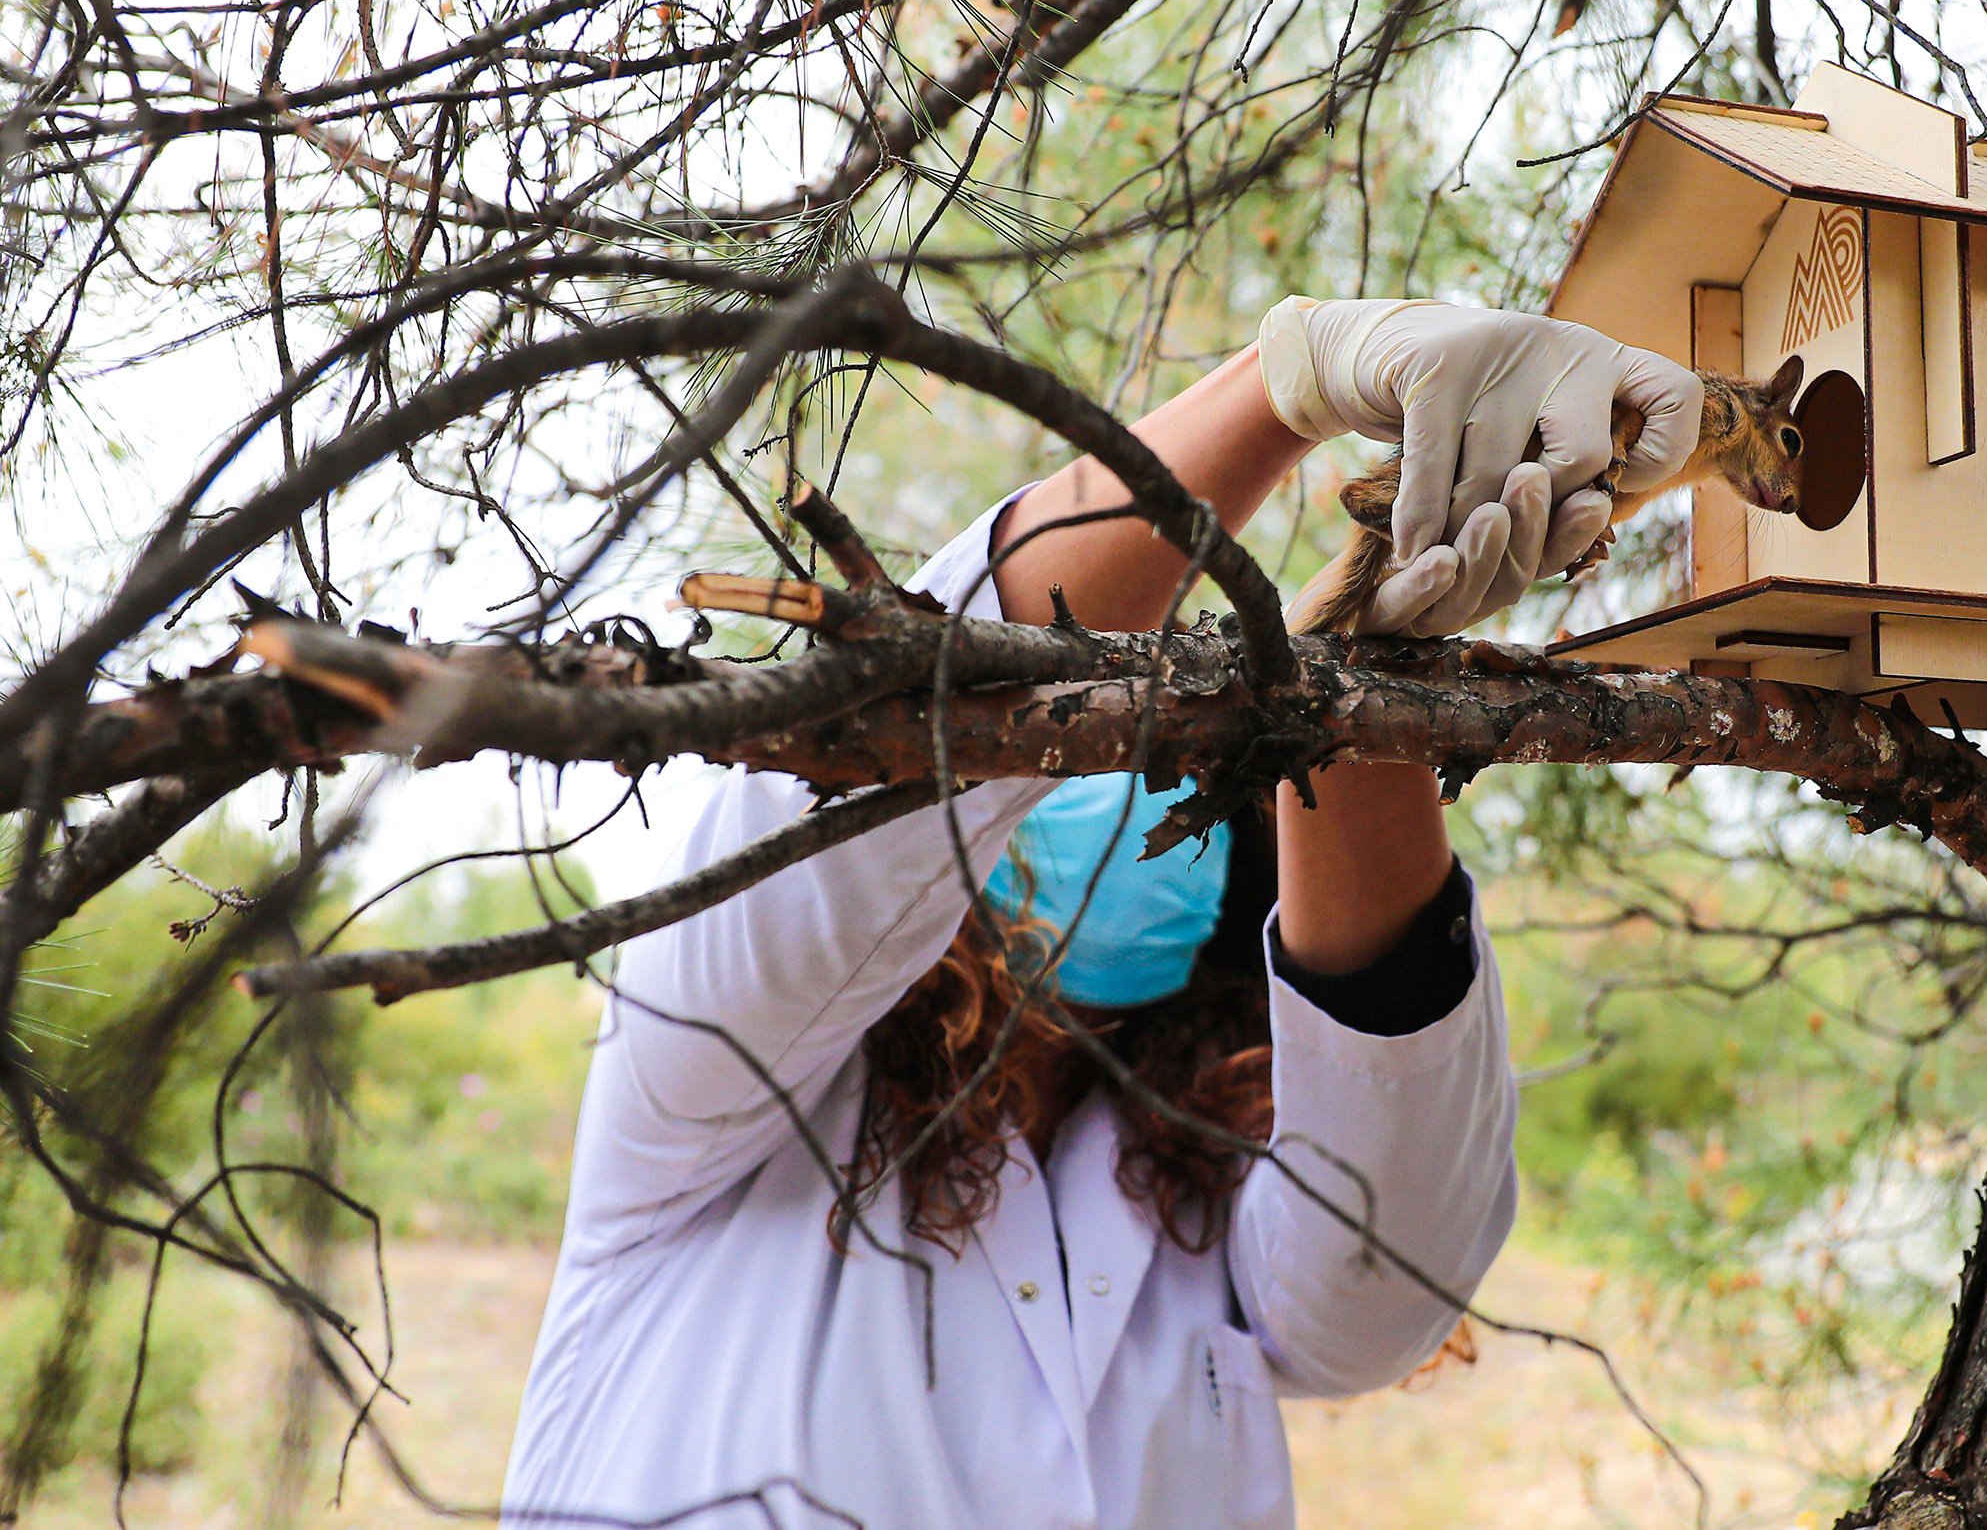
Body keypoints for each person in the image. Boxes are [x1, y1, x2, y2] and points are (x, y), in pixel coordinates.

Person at [499, 298, 1706, 1530]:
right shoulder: (703, 1091)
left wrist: (1353, 694)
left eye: (1173, 767)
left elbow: (1385, 1273)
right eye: (1068, 756)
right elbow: (904, 740)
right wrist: (1278, 387)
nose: (1114, 793)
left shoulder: (1198, 1210)